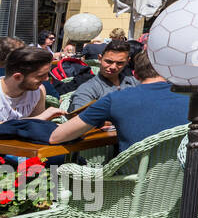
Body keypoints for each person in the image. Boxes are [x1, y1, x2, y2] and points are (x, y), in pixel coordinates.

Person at [50, 51, 190, 151]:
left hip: (131, 181)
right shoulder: (193, 99)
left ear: (134, 74)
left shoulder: (114, 99)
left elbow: (56, 137)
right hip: (182, 179)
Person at [0, 46, 63, 126]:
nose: (47, 79)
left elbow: (35, 128)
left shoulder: (39, 91)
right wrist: (40, 118)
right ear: (17, 77)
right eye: (40, 76)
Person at [68, 38, 138, 110]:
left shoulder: (135, 84)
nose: (113, 67)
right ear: (100, 58)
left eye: (120, 63)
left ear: (127, 61)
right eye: (109, 62)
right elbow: (81, 119)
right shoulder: (88, 90)